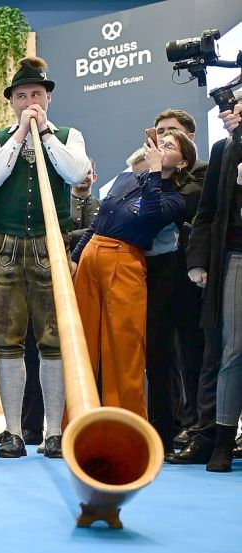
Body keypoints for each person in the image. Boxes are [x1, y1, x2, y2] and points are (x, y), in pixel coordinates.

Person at [0, 56, 91, 458]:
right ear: (11, 101)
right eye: (22, 96)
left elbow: (77, 173)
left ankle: (52, 433)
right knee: (6, 340)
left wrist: (42, 131)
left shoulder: (67, 135)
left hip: (50, 244)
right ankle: (13, 432)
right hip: (5, 246)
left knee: (53, 340)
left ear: (48, 98)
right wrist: (19, 134)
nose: (30, 102)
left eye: (37, 95)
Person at [71, 132, 190, 417]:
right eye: (160, 143)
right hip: (91, 257)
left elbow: (150, 216)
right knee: (83, 342)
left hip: (125, 261)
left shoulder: (175, 200)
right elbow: (99, 222)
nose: (162, 147)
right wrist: (75, 258)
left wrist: (154, 173)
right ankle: (78, 423)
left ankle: (125, 424)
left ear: (183, 162)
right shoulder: (126, 179)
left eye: (170, 146)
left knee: (124, 349)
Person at [138, 110, 208, 456]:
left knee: (190, 354)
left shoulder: (201, 173)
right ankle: (165, 431)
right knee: (159, 357)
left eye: (171, 135)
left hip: (188, 275)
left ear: (188, 142)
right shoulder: (145, 176)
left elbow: (171, 211)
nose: (162, 139)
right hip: (154, 276)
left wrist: (156, 174)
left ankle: (197, 427)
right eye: (159, 133)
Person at [185, 103, 242, 472]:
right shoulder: (224, 149)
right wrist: (197, 262)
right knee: (232, 349)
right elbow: (205, 213)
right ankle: (222, 439)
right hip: (235, 255)